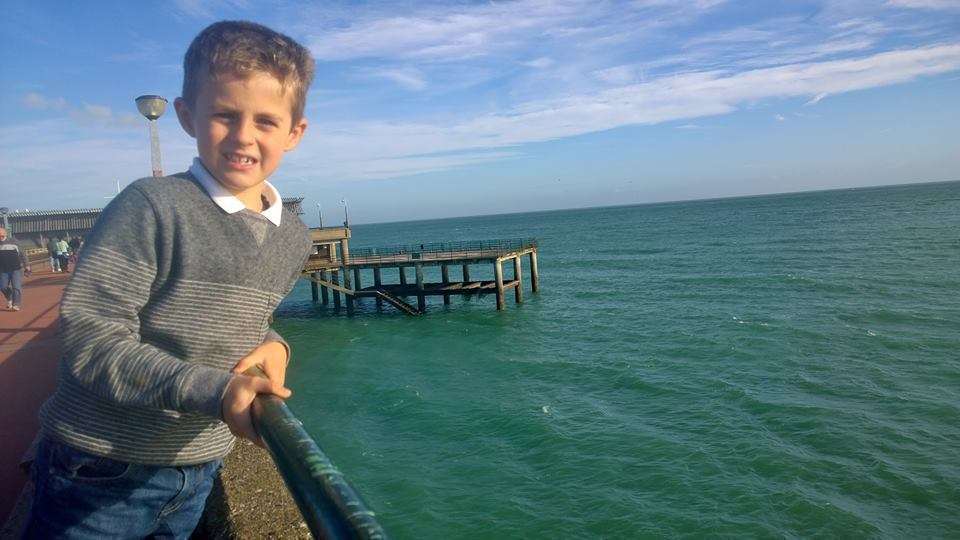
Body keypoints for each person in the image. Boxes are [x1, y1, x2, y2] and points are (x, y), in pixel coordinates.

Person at [24, 20, 314, 538]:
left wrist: (276, 346)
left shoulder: (293, 237)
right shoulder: (151, 206)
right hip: (98, 464)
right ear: (186, 116)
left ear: (295, 132)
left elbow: (247, 320)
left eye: (266, 122)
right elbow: (89, 334)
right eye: (225, 114)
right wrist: (215, 391)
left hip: (200, 462)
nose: (244, 136)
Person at [0, 227, 31, 311]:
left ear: (5, 234)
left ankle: (16, 304)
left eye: (2, 235)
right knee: (3, 287)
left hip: (15, 269)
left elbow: (23, 254)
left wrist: (27, 265)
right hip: (2, 270)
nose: (1, 237)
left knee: (16, 287)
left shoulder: (14, 241)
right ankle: (9, 298)